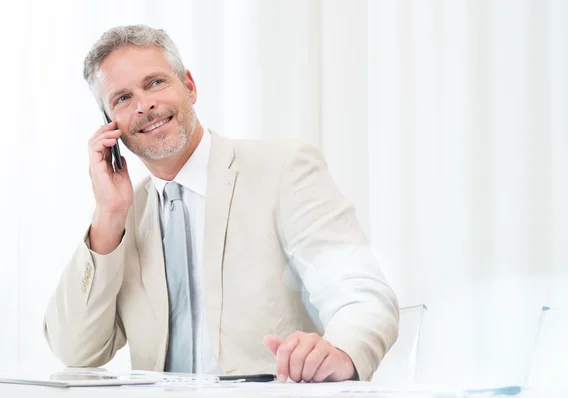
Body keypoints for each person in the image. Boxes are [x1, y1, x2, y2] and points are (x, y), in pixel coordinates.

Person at [44, 24, 399, 383]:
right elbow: (76, 351)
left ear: (190, 86)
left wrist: (339, 351)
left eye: (155, 83)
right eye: (122, 99)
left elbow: (361, 293)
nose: (144, 106)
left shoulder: (284, 170)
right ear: (109, 126)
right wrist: (108, 217)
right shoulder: (123, 217)